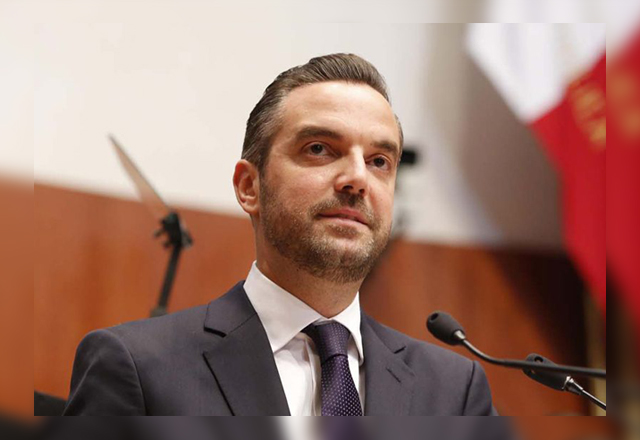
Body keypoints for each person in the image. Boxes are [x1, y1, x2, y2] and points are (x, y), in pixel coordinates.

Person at [63, 53, 498, 416]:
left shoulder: (454, 391)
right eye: (319, 149)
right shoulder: (139, 368)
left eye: (379, 161)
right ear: (249, 187)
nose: (357, 178)